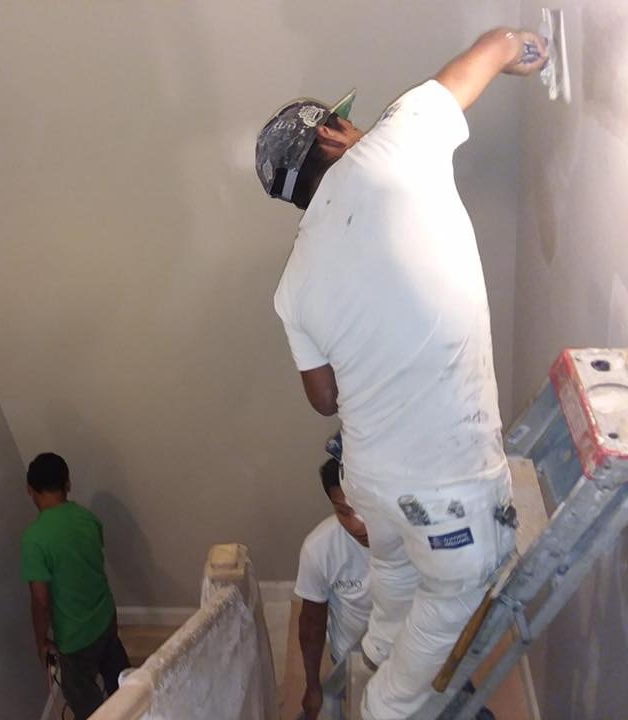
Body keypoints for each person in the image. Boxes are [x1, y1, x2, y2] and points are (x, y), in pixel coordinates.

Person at [257, 28, 548, 719]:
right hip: (445, 488)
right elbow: (498, 46)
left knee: (393, 573)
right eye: (341, 119)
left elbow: (323, 398)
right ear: (330, 136)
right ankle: (386, 704)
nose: (354, 125)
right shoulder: (398, 140)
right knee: (456, 590)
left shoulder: (293, 280)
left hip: (372, 485)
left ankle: (382, 650)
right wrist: (536, 51)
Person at [20, 452, 130, 719]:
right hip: (105, 617)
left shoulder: (34, 540)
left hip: (76, 639)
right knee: (119, 674)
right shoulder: (86, 518)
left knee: (84, 698)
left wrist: (41, 642)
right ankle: (133, 708)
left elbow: (41, 600)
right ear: (67, 484)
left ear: (30, 491)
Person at [296, 458, 370, 720]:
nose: (357, 524)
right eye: (343, 511)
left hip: (413, 657)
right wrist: (313, 686)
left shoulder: (416, 537)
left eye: (363, 508)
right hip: (354, 661)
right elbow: (312, 626)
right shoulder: (320, 548)